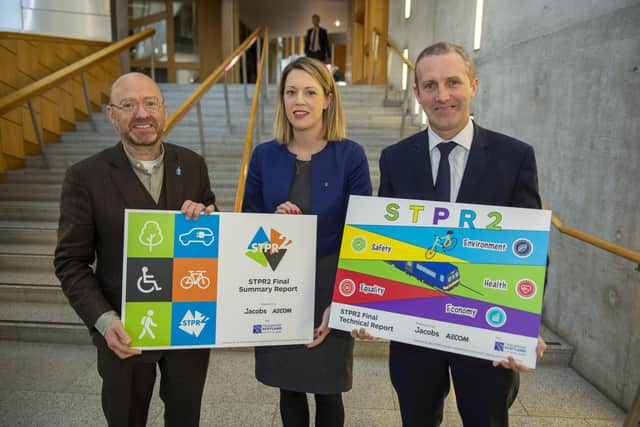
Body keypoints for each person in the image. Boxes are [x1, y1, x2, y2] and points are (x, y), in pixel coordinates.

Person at [355, 42, 547, 426]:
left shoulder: (515, 157)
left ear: (473, 85)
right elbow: (385, 240)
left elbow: (530, 249)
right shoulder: (395, 159)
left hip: (486, 329)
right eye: (430, 85)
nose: (442, 95)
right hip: (415, 330)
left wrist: (527, 323)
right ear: (417, 94)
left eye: (453, 82)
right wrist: (369, 307)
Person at [54, 72, 216, 427]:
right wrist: (104, 321)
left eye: (150, 103)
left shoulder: (192, 165)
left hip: (187, 328)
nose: (142, 113)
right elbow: (70, 262)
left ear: (164, 109)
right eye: (128, 105)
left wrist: (208, 217)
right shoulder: (85, 177)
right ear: (112, 115)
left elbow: (210, 231)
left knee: (186, 417)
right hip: (123, 331)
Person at [242, 57, 372, 426]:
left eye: (310, 92)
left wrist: (344, 300)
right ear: (282, 100)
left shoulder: (351, 156)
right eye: (291, 92)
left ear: (328, 99)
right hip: (277, 284)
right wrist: (273, 227)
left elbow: (360, 237)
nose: (300, 100)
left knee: (329, 390)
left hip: (331, 287)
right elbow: (247, 229)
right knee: (290, 387)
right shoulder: (264, 156)